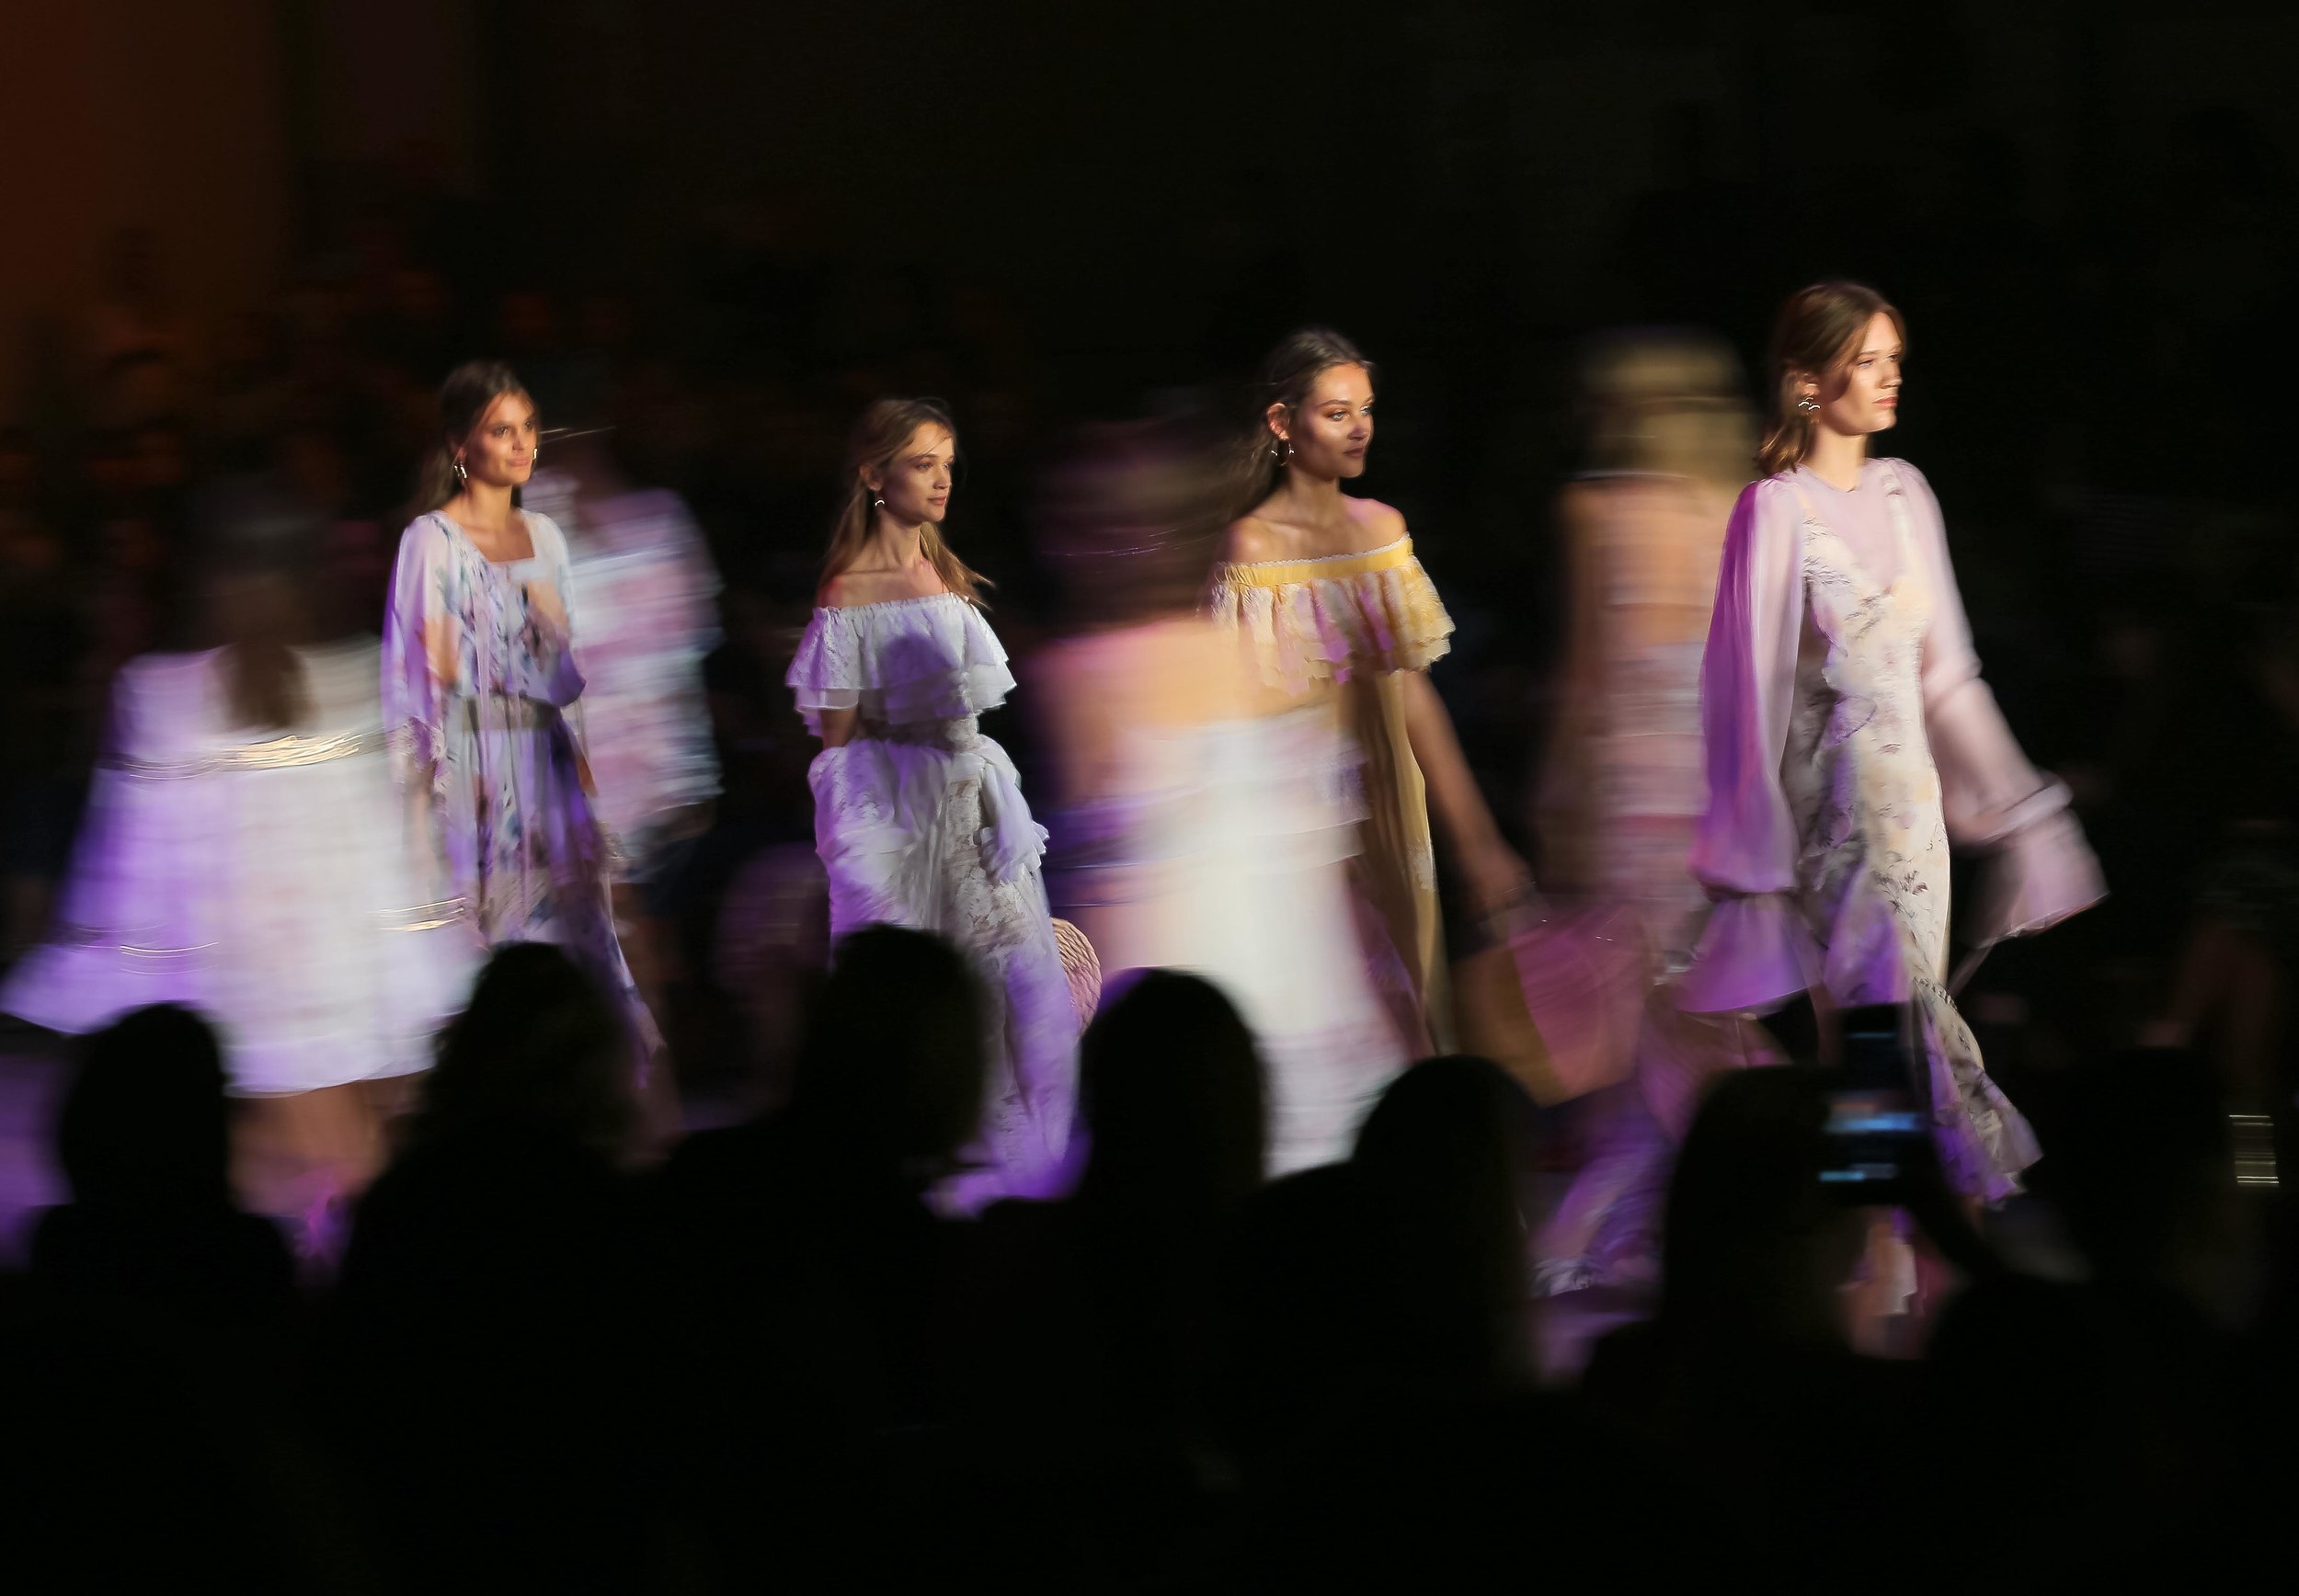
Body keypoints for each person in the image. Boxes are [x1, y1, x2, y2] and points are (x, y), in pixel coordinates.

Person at [1681, 282, 2104, 1202]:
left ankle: (1879, 1247)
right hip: (1831, 823)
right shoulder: (1774, 510)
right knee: (1887, 1031)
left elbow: (1948, 673)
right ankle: (1898, 1240)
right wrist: (1750, 856)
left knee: (1878, 1044)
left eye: (1893, 360)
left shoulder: (1907, 493)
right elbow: (1742, 693)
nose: (1888, 378)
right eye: (1867, 360)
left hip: (1914, 822)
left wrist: (2020, 809)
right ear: (1806, 379)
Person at [3, 484, 475, 1237]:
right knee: (338, 1157)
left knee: (310, 1163)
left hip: (255, 976)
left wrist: (139, 974)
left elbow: (137, 867)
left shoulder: (162, 693)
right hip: (355, 970)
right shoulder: (369, 677)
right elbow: (416, 840)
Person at [1035, 418, 1405, 1172]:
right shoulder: (1293, 648)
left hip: (1172, 1035)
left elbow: (1090, 901)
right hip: (1314, 1014)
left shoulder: (1078, 678)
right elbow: (1345, 863)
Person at [784, 397, 1079, 1208]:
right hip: (909, 819)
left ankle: (1028, 1181)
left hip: (977, 811)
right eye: (923, 463)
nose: (943, 480)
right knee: (945, 998)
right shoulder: (851, 590)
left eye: (948, 462)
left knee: (1018, 992)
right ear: (876, 475)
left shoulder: (943, 569)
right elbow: (838, 740)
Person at [1207, 329, 1530, 1054]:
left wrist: (1478, 843)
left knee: (1407, 1007)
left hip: (1391, 801)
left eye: (1367, 409)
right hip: (1302, 814)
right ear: (1282, 423)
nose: (1360, 428)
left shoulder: (1380, 529)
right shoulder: (1250, 549)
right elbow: (1241, 714)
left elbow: (1413, 695)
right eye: (1337, 412)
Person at [1529, 332, 1765, 1293]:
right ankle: (1657, 1221)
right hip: (1718, 788)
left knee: (1649, 1012)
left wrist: (1555, 794)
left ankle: (1610, 1227)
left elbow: (1585, 678)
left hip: (1633, 790)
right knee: (1684, 1006)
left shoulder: (1596, 509)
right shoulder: (1739, 511)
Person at [381, 361, 653, 1058]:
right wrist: (419, 825)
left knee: (577, 962)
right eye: (502, 430)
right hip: (474, 773)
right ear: (460, 446)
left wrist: (590, 807)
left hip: (547, 764)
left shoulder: (548, 537)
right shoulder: (430, 543)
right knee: (493, 963)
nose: (522, 443)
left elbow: (568, 683)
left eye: (528, 428)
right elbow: (417, 690)